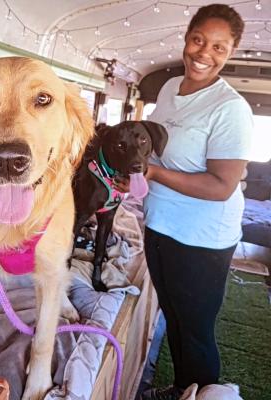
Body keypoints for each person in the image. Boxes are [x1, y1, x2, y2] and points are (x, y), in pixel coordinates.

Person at [116, 4, 253, 400]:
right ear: (186, 37)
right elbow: (154, 148)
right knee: (173, 317)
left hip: (202, 238)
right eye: (198, 40)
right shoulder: (170, 88)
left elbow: (222, 185)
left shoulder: (230, 109)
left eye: (218, 47)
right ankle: (181, 389)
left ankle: (206, 392)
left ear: (231, 52)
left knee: (195, 329)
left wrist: (154, 175)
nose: (203, 53)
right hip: (160, 224)